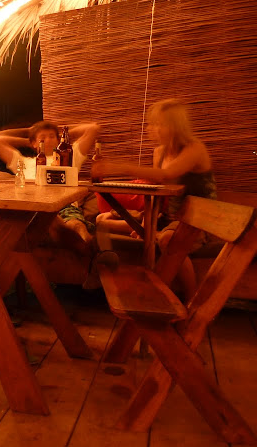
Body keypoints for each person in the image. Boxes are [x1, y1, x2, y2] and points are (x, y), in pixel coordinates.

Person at [90, 98, 217, 298]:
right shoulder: (159, 152)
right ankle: (149, 235)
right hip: (169, 216)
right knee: (101, 221)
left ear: (175, 126)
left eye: (158, 124)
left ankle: (192, 298)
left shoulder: (194, 148)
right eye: (151, 123)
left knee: (167, 239)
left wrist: (119, 167)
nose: (150, 128)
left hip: (197, 219)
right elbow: (158, 190)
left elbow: (165, 175)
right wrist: (147, 219)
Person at [0, 120, 101, 258]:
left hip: (65, 206)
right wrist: (29, 133)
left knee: (76, 225)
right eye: (43, 138)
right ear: (33, 143)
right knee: (35, 219)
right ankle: (58, 228)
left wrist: (64, 132)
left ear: (58, 139)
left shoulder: (69, 156)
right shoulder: (24, 162)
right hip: (33, 206)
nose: (48, 140)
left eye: (51, 136)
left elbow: (92, 128)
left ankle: (86, 245)